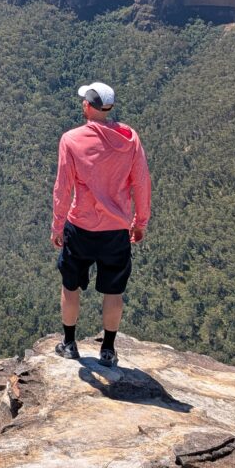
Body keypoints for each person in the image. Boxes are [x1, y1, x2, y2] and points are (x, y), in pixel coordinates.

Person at [51, 81, 151, 366]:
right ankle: (107, 350)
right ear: (108, 108)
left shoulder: (71, 140)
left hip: (80, 227)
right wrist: (139, 221)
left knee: (70, 286)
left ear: (87, 106)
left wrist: (57, 227)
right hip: (116, 230)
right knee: (113, 291)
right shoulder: (130, 138)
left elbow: (62, 188)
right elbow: (141, 183)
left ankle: (69, 344)